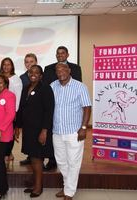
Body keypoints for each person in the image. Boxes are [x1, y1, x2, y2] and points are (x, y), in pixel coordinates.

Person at [51, 63, 91, 200]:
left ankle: (69, 192)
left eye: (63, 69)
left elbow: (86, 107)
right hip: (57, 131)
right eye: (57, 70)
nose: (60, 71)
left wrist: (84, 127)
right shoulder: (53, 86)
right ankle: (67, 185)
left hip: (74, 132)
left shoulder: (80, 87)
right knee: (61, 162)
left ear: (69, 70)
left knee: (73, 162)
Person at [16, 65, 54, 198]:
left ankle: (38, 187)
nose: (33, 74)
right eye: (31, 72)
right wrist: (17, 127)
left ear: (41, 75)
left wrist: (44, 131)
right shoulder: (26, 88)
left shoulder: (45, 88)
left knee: (37, 159)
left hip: (39, 130)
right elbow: (21, 108)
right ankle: (35, 184)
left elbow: (49, 112)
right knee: (32, 158)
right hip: (28, 129)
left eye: (36, 72)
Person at [43, 46, 82, 171]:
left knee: (70, 146)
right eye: (58, 53)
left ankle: (69, 166)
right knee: (54, 136)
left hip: (70, 108)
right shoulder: (49, 69)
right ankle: (52, 159)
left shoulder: (76, 68)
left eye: (62, 53)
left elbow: (78, 84)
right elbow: (46, 87)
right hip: (53, 106)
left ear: (67, 54)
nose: (60, 55)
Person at [0, 57, 22, 164]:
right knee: (2, 133)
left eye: (8, 64)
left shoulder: (16, 79)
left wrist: (14, 113)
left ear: (12, 66)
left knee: (9, 135)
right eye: (4, 64)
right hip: (0, 112)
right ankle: (8, 154)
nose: (6, 66)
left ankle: (7, 154)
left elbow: (18, 97)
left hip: (11, 112)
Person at [19, 53, 38, 166]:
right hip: (27, 113)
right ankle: (30, 156)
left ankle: (38, 157)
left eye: (31, 61)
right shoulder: (22, 78)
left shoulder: (41, 76)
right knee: (28, 136)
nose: (29, 64)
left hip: (38, 112)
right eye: (27, 62)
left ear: (36, 62)